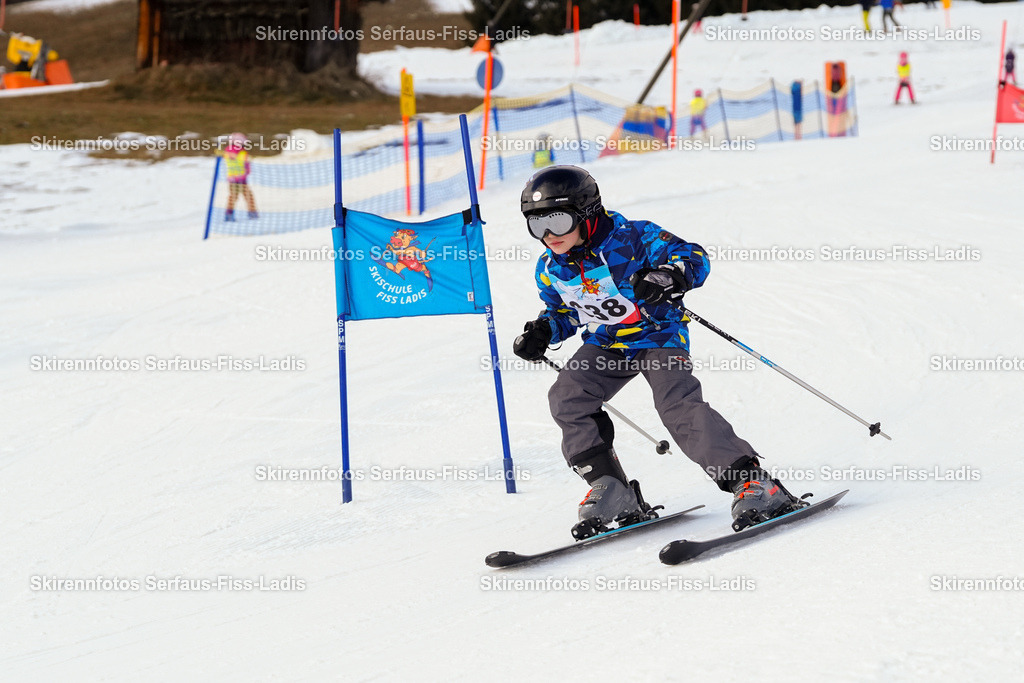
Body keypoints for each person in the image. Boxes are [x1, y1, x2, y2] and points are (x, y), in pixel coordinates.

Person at [512, 165, 804, 538]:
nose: (549, 234)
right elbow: (565, 312)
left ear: (586, 212)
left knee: (675, 405)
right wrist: (544, 331)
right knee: (568, 396)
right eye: (537, 225)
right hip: (607, 343)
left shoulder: (635, 237)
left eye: (557, 221)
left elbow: (694, 257)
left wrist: (667, 276)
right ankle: (611, 488)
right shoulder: (550, 268)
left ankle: (751, 481)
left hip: (658, 335)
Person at [219, 132, 258, 220]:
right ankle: (252, 213)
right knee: (248, 196)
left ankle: (229, 214)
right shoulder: (242, 153)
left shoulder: (227, 152)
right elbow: (246, 164)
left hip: (232, 178)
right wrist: (247, 171)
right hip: (241, 178)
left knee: (233, 197)